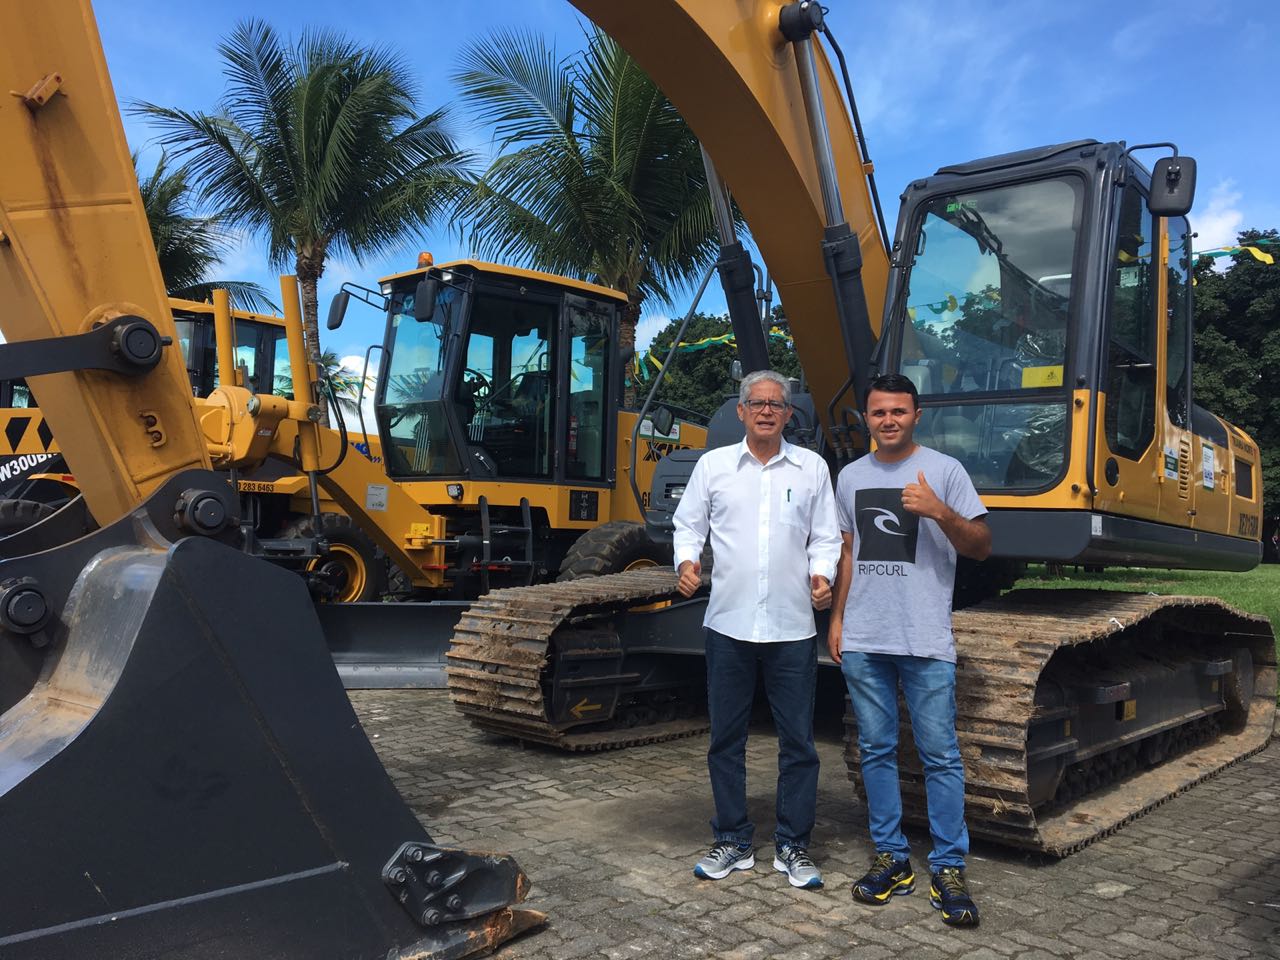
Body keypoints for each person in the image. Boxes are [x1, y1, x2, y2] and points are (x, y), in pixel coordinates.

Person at [827, 372, 991, 928]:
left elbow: (982, 547)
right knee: (876, 750)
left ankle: (947, 866)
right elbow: (848, 553)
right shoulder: (849, 476)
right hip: (866, 638)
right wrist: (838, 618)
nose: (888, 420)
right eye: (878, 412)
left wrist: (939, 511)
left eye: (899, 411)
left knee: (939, 754)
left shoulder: (945, 472)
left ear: (916, 415)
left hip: (924, 637)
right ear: (866, 418)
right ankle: (892, 858)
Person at [673, 369, 841, 890]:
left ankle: (793, 844)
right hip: (728, 623)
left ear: (789, 415)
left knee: (799, 743)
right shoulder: (713, 466)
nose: (766, 410)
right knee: (725, 738)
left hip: (791, 626)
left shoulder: (811, 467)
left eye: (776, 403)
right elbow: (688, 524)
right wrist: (685, 562)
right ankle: (733, 838)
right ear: (741, 411)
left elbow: (827, 536)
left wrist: (823, 575)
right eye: (756, 402)